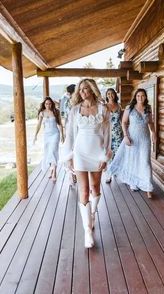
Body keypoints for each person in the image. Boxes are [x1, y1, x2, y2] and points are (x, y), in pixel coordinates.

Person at [61, 78, 111, 248]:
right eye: (80, 89)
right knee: (83, 191)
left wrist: (105, 157)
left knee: (95, 188)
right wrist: (69, 157)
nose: (82, 91)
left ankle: (93, 213)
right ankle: (87, 232)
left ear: (92, 89)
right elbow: (70, 135)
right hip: (80, 154)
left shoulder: (103, 109)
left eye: (85, 88)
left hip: (97, 154)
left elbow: (107, 136)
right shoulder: (75, 110)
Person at [108, 88, 156, 199]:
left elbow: (151, 123)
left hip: (145, 138)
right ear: (135, 97)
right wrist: (125, 136)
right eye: (138, 96)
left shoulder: (148, 108)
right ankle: (134, 181)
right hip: (132, 137)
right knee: (133, 159)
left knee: (145, 162)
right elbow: (124, 122)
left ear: (145, 97)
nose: (140, 98)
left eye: (143, 96)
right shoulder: (130, 107)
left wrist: (154, 133)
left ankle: (148, 187)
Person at [34, 97, 64, 182]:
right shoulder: (42, 113)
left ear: (52, 104)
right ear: (44, 104)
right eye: (46, 104)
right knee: (48, 152)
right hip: (46, 135)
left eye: (50, 104)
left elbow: (60, 124)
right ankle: (51, 170)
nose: (48, 105)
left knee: (53, 151)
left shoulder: (56, 111)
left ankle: (54, 172)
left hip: (55, 134)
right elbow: (39, 125)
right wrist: (35, 135)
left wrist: (62, 135)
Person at [105, 88, 123, 183]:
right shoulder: (104, 106)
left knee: (117, 153)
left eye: (112, 93)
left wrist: (124, 132)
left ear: (115, 95)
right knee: (109, 153)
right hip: (108, 133)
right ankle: (109, 175)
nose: (110, 95)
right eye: (108, 94)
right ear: (106, 95)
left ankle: (115, 171)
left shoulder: (119, 106)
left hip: (117, 132)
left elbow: (121, 120)